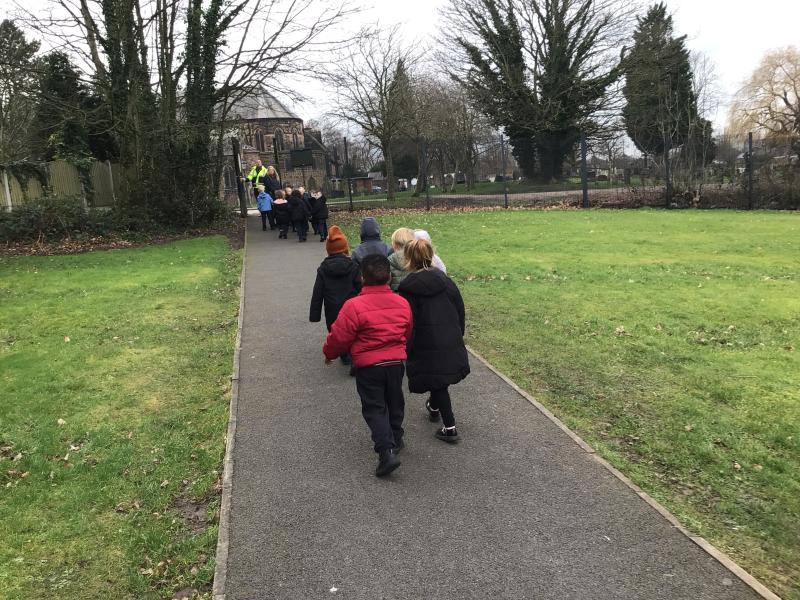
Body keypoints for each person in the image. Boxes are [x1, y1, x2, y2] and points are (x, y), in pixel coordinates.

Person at [323, 255, 413, 477]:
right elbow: (407, 330)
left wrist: (329, 353)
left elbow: (340, 336)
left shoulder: (353, 306)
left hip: (369, 365)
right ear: (389, 276)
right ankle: (396, 435)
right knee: (395, 400)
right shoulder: (402, 303)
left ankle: (386, 451)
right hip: (395, 362)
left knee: (374, 407)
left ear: (362, 278)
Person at [398, 238, 469, 443]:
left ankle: (450, 427)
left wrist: (406, 344)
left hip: (424, 340)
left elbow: (407, 319)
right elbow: (459, 307)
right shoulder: (445, 281)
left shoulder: (407, 289)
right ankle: (434, 406)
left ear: (408, 259)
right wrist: (459, 332)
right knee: (439, 378)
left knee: (437, 381)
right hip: (449, 335)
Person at [310, 226, 361, 365]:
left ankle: (344, 354)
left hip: (332, 307)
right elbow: (360, 286)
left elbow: (317, 292)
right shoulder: (353, 266)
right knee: (353, 329)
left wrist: (314, 315)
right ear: (345, 249)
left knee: (336, 331)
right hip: (351, 306)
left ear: (328, 250)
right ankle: (352, 352)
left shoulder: (323, 269)